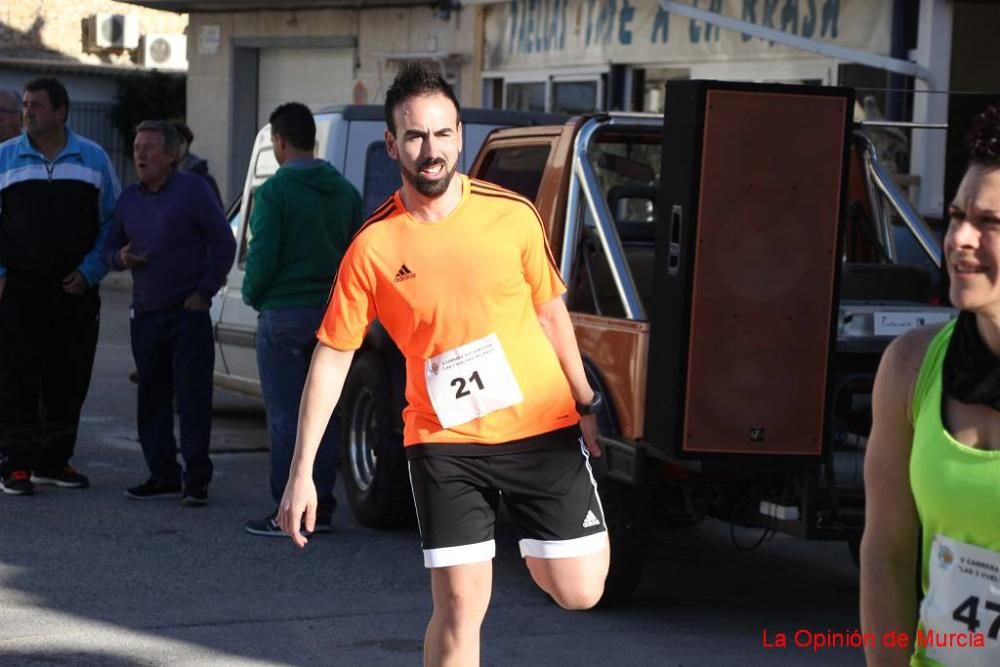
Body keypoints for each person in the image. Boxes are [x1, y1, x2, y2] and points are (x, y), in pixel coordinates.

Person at [277, 63, 610, 666]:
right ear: (392, 144)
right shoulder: (374, 246)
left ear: (460, 137)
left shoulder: (511, 215)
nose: (430, 151)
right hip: (443, 437)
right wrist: (302, 472)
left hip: (539, 426)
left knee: (581, 590)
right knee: (460, 605)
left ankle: (536, 539)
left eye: (442, 134)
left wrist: (586, 402)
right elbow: (332, 355)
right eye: (414, 137)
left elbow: (552, 315)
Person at [861, 105, 1000, 666]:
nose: (960, 238)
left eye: (991, 223)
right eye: (956, 214)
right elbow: (887, 554)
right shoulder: (912, 365)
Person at [242, 102, 363, 536]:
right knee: (324, 412)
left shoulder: (274, 193)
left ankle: (287, 509)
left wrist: (253, 295)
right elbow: (357, 254)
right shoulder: (346, 192)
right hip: (333, 316)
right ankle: (322, 505)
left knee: (284, 415)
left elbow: (263, 256)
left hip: (283, 312)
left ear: (279, 141)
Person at [104, 120, 235, 507]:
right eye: (137, 147)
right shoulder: (128, 198)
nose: (140, 154)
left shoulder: (194, 190)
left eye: (149, 148)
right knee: (152, 396)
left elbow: (223, 243)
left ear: (171, 156)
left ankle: (196, 479)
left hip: (187, 312)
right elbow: (108, 248)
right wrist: (121, 257)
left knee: (192, 398)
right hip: (145, 312)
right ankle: (162, 474)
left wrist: (204, 291)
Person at [0, 77, 120, 496]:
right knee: (17, 378)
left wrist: (90, 271)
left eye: (36, 105)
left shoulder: (92, 158)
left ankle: (54, 462)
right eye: (26, 104)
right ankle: (17, 465)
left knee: (69, 377)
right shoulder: (5, 159)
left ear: (61, 112)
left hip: (75, 291)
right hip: (19, 289)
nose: (27, 112)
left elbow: (112, 222)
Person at [172, 121, 222, 206]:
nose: (176, 145)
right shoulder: (159, 179)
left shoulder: (204, 179)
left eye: (181, 141)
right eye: (172, 141)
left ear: (187, 144)